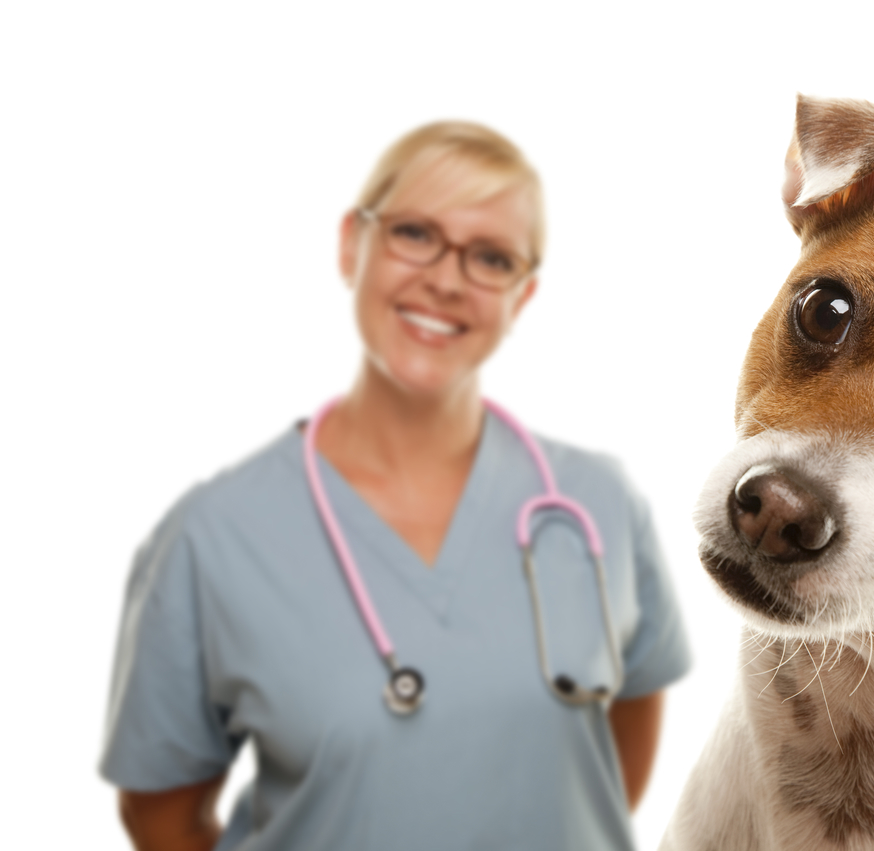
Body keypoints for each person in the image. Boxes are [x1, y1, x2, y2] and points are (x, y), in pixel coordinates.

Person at [100, 121, 692, 851]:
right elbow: (160, 815)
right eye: (415, 233)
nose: (446, 279)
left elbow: (608, 764)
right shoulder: (210, 536)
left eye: (490, 257)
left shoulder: (598, 503)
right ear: (353, 244)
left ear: (523, 294)